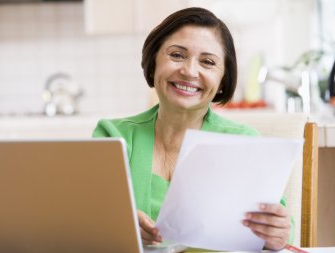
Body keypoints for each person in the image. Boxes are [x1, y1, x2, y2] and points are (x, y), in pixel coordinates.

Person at [92, 7, 293, 251]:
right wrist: (115, 225)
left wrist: (275, 235)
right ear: (153, 62)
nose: (189, 71)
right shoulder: (114, 136)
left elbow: (276, 233)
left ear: (222, 81)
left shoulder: (243, 142)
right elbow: (83, 219)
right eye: (177, 55)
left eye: (207, 62)